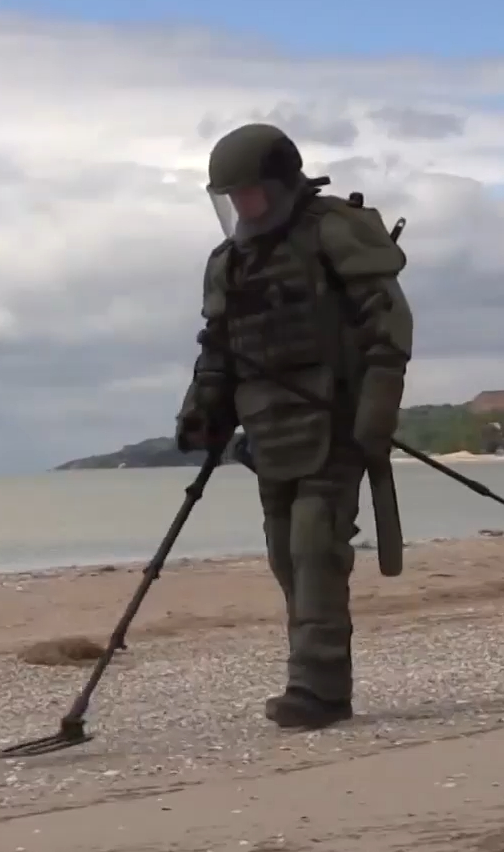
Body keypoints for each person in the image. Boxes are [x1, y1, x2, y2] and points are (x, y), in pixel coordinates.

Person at [174, 122, 413, 730]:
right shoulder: (227, 263)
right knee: (285, 555)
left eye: (249, 193)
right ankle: (310, 676)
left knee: (315, 547)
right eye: (230, 197)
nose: (240, 207)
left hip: (332, 422)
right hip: (267, 433)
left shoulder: (334, 231)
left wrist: (374, 417)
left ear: (280, 183)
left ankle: (319, 688)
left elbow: (388, 331)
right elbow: (219, 349)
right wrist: (202, 410)